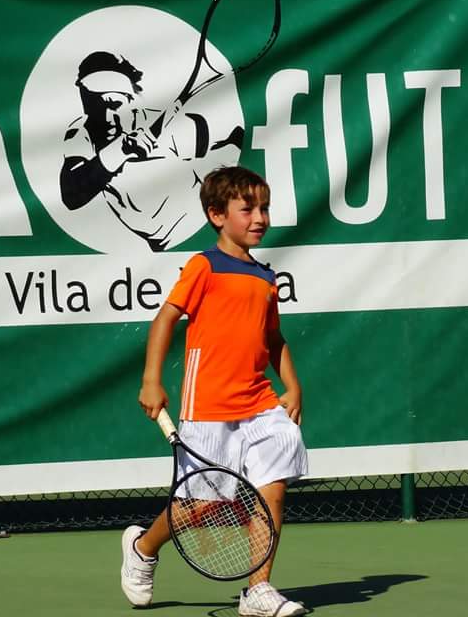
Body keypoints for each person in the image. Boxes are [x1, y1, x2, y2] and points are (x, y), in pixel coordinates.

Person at [120, 166, 308, 617]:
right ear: (217, 215)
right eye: (248, 209)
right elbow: (166, 318)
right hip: (206, 404)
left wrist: (294, 384)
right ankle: (143, 547)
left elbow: (274, 339)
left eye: (264, 208)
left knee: (272, 489)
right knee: (202, 507)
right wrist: (151, 380)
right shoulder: (203, 266)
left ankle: (258, 590)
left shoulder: (265, 278)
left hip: (260, 401)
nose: (260, 217)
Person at [60, 51, 244, 252]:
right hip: (163, 248)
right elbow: (71, 195)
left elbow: (214, 133)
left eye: (114, 104)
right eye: (94, 105)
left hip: (203, 229)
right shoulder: (80, 134)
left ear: (130, 100)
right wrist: (121, 151)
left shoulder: (164, 124)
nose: (106, 115)